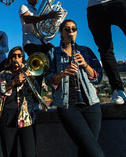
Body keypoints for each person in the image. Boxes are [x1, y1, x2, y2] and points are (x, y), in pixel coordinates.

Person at [45, 19, 104, 157]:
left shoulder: (86, 51)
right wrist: (63, 73)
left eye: (74, 29)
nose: (71, 32)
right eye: (67, 29)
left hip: (91, 104)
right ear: (61, 33)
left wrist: (85, 65)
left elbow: (98, 77)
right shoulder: (53, 53)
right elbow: (48, 79)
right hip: (67, 106)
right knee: (96, 153)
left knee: (86, 151)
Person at [19, 0, 62, 106]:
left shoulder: (39, 10)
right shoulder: (24, 7)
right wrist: (47, 16)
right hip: (31, 42)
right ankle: (35, 102)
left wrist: (53, 20)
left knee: (58, 56)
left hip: (41, 41)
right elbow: (28, 19)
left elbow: (44, 25)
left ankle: (58, 96)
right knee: (38, 71)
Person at [0, 46, 37, 157]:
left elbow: (36, 91)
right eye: (14, 56)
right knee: (9, 153)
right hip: (7, 116)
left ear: (23, 58)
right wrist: (14, 82)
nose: (16, 58)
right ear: (10, 59)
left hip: (25, 117)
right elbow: (1, 92)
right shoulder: (4, 74)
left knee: (29, 153)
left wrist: (29, 76)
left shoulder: (29, 72)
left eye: (19, 56)